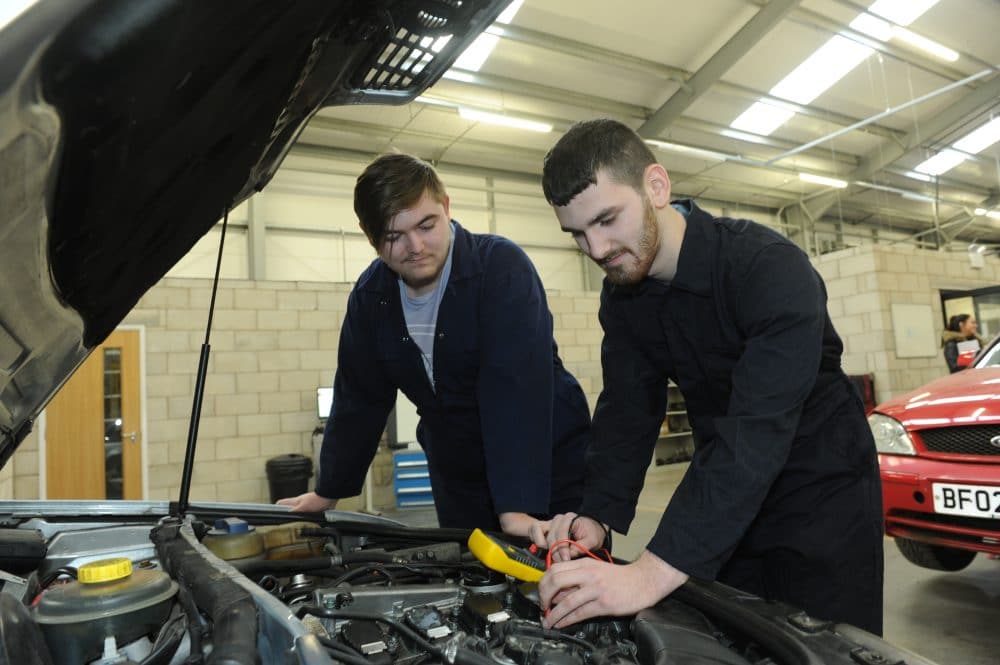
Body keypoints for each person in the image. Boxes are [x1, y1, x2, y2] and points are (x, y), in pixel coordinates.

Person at [533, 119, 884, 635]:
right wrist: (597, 517)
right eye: (578, 234)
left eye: (608, 219)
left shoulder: (768, 268)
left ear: (656, 186)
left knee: (824, 646)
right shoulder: (624, 297)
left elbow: (757, 430)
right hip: (725, 497)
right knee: (737, 638)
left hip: (820, 491)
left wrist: (649, 572)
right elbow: (627, 410)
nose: (598, 249)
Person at [278, 153, 591, 541]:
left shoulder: (501, 269)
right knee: (474, 585)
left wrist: (515, 507)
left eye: (427, 225)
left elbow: (515, 388)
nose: (416, 246)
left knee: (569, 580)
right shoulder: (371, 297)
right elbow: (359, 397)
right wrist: (328, 494)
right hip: (458, 471)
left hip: (544, 461)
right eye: (394, 237)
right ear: (368, 234)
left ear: (446, 206)